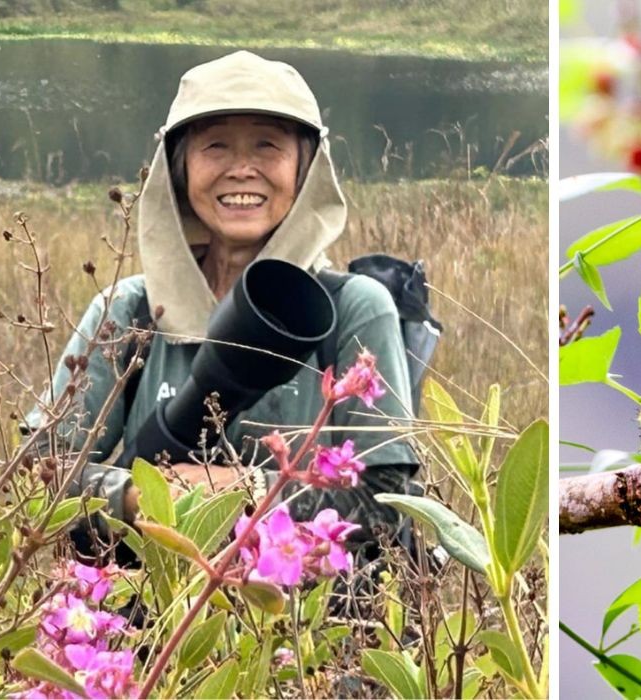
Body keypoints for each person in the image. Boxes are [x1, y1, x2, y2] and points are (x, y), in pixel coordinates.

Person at [27, 51, 419, 558]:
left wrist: (245, 493)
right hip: (147, 601)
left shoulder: (353, 309)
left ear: (305, 170)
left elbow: (386, 503)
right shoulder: (130, 310)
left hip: (304, 608)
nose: (241, 170)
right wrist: (136, 497)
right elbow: (35, 473)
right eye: (215, 146)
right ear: (180, 168)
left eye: (267, 146)